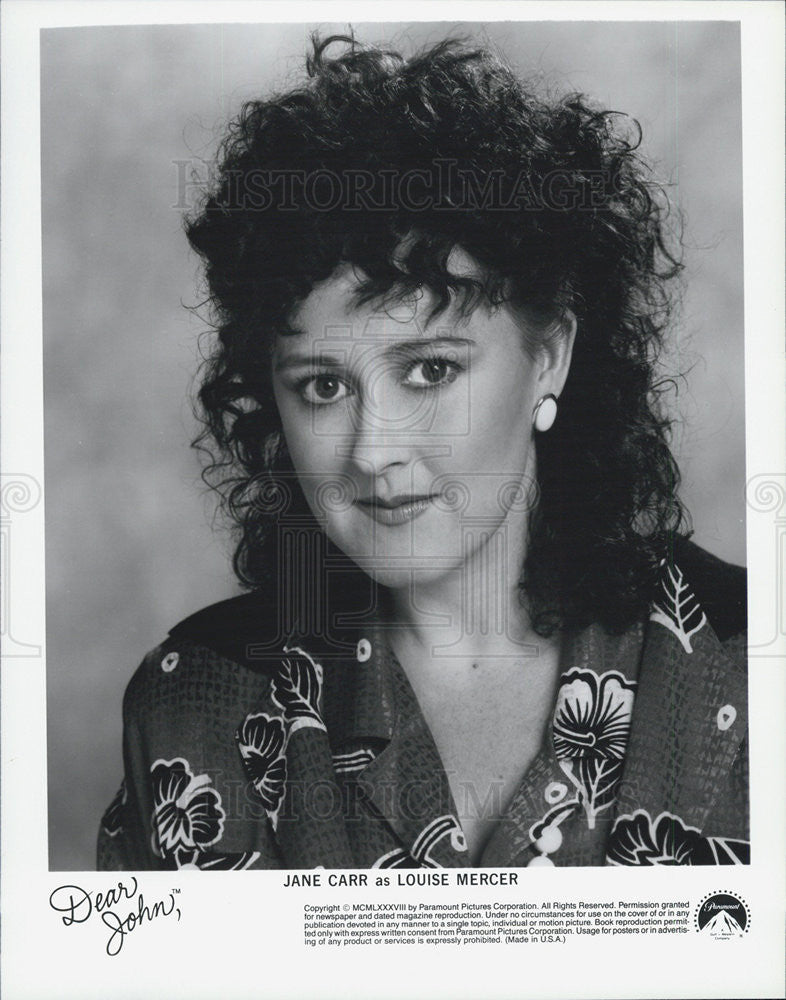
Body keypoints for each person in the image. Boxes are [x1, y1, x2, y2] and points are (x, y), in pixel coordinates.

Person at [98, 35, 748, 871]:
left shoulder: (745, 664)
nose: (374, 450)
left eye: (432, 369)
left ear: (548, 355)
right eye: (323, 387)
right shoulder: (192, 704)